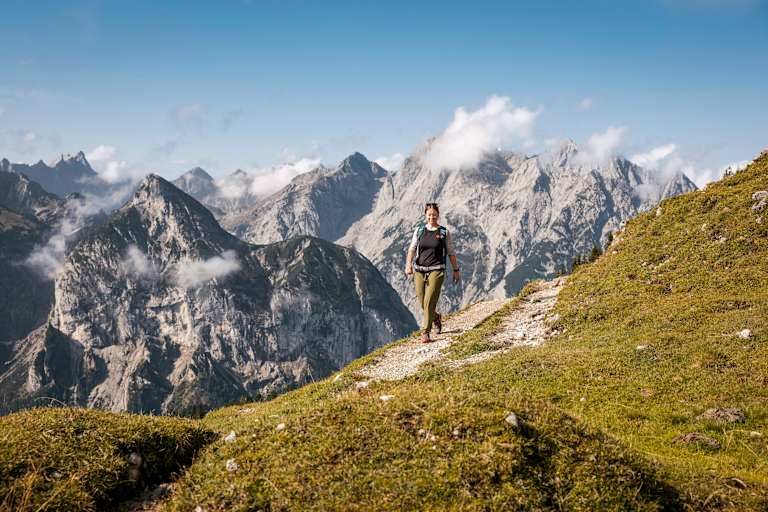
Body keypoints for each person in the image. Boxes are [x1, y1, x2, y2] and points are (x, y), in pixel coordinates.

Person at [405, 202, 460, 343]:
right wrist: (408, 265)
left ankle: (425, 332)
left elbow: (451, 253)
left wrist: (456, 270)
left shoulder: (443, 232)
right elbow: (412, 248)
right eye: (429, 215)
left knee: (429, 301)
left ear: (438, 215)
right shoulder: (419, 231)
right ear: (425, 215)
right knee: (422, 301)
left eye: (434, 215)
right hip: (419, 270)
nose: (432, 217)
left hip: (437, 269)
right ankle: (436, 317)